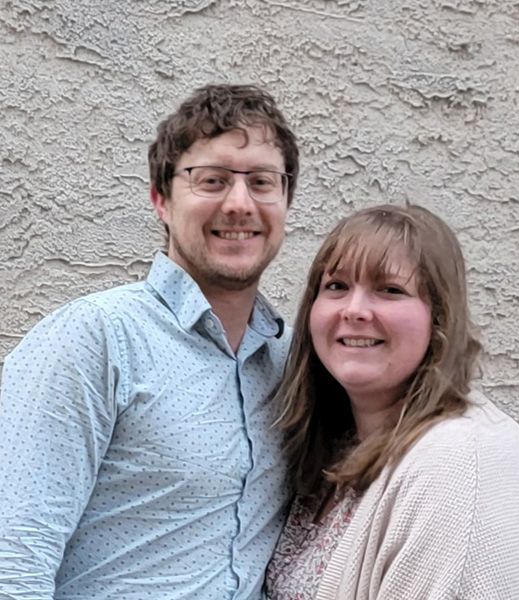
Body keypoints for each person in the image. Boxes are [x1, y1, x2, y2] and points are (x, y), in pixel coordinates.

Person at [0, 84, 299, 600]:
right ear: (161, 199)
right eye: (212, 180)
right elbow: (14, 559)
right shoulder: (95, 339)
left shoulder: (291, 362)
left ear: (285, 201)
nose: (239, 203)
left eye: (261, 182)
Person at [265, 204, 519, 600]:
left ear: (439, 317)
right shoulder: (338, 444)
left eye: (390, 290)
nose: (354, 310)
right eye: (336, 286)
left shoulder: (463, 468)